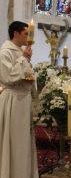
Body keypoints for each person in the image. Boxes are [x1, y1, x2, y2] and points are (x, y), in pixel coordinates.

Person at [0, 21, 39, 177]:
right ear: (15, 34)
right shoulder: (5, 52)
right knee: (13, 142)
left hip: (22, 99)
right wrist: (24, 59)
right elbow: (8, 77)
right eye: (26, 34)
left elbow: (24, 73)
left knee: (23, 142)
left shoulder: (20, 51)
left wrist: (25, 61)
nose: (29, 38)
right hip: (12, 100)